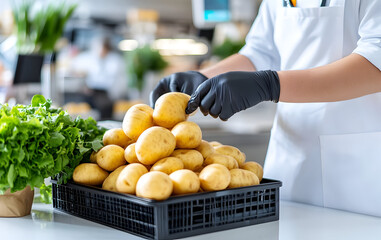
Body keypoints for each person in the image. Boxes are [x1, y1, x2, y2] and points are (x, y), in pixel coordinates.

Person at [150, 0, 381, 217]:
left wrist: (271, 84)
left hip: (354, 175)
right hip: (289, 161)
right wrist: (203, 79)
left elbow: (375, 60)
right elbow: (260, 53)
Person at [72, 37, 127, 119]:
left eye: (102, 48)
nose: (100, 51)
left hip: (107, 94)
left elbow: (118, 81)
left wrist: (115, 95)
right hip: (93, 92)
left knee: (105, 109)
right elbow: (78, 69)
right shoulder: (92, 59)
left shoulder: (115, 60)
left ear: (107, 48)